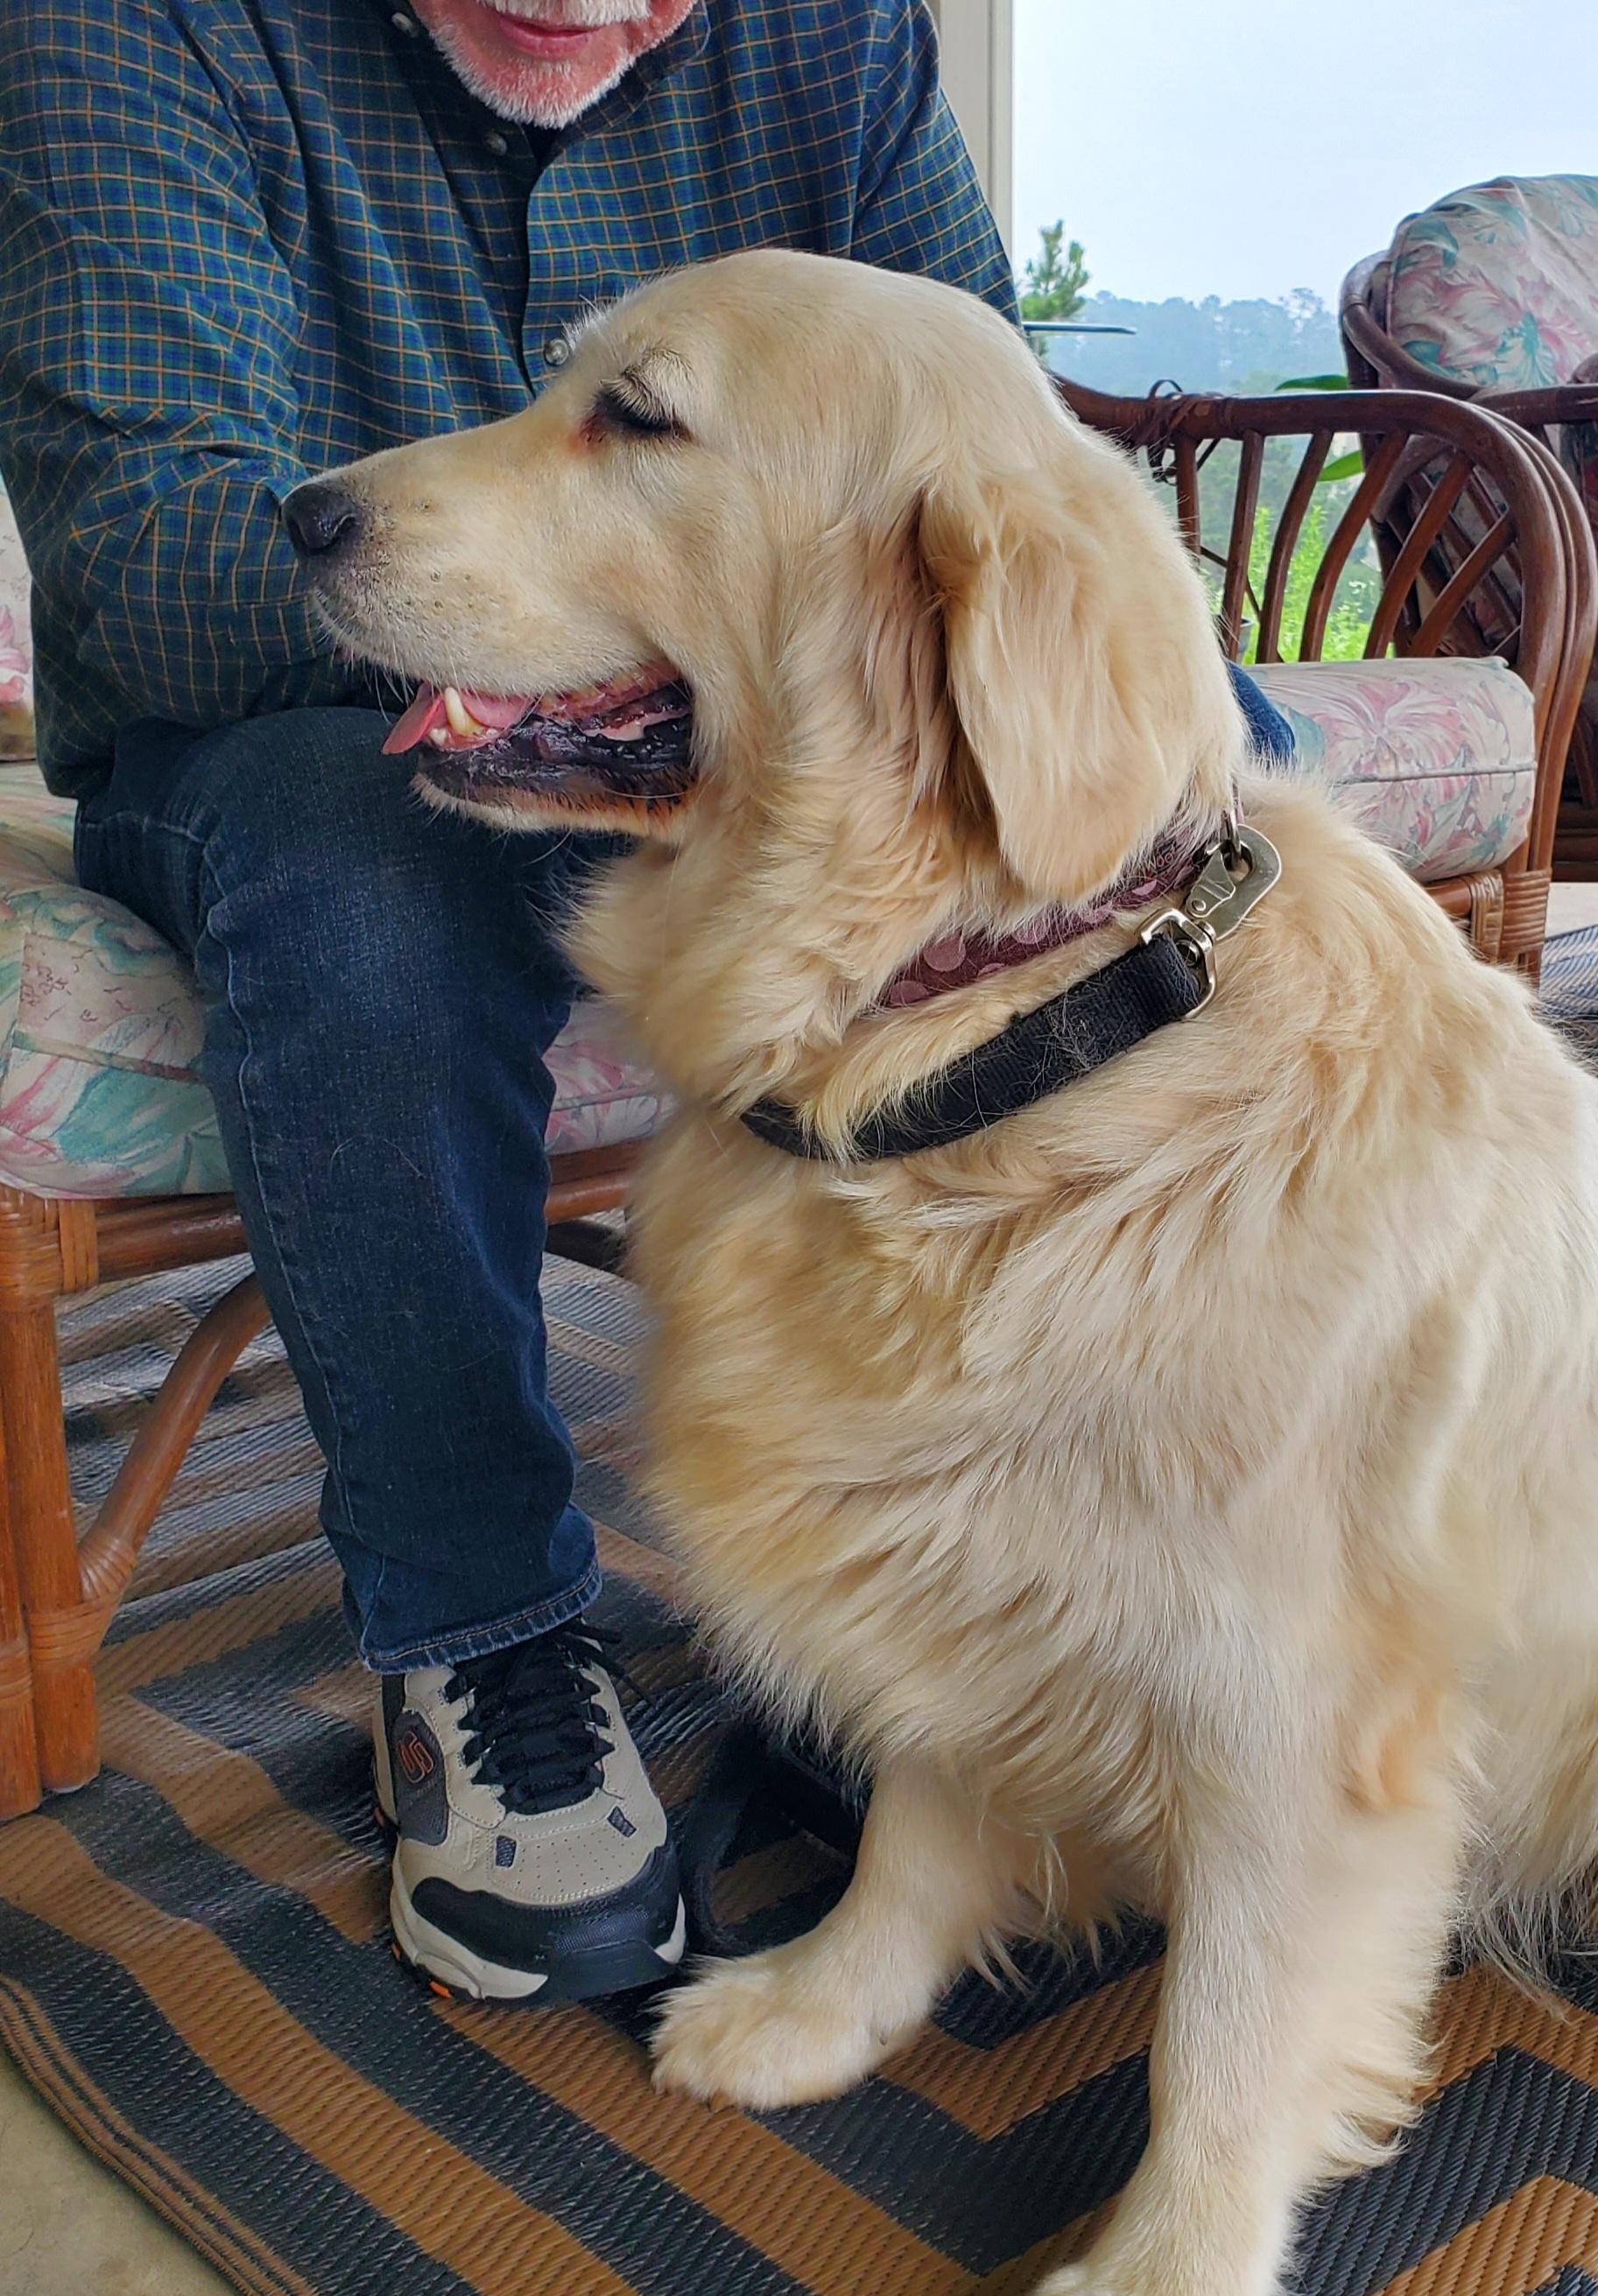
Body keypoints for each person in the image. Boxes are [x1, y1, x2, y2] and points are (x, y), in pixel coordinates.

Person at [0, 0, 1292, 2003]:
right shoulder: (130, 22)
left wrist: (813, 700)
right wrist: (622, 631)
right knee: (370, 881)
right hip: (277, 732)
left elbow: (977, 434)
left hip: (739, 698)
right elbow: (150, 560)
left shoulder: (834, 41)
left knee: (1212, 772)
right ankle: (483, 1632)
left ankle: (992, 1552)